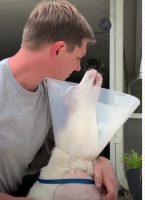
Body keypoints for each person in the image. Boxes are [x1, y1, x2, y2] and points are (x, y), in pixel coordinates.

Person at [0, 1, 118, 199]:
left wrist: (101, 161)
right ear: (58, 49)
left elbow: (69, 148)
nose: (78, 68)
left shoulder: (50, 94)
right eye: (78, 57)